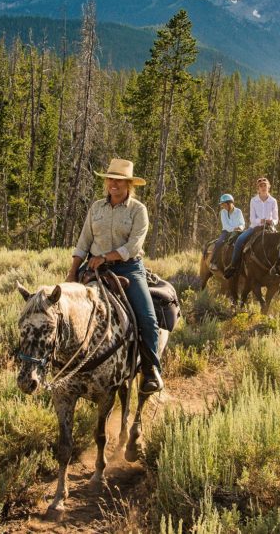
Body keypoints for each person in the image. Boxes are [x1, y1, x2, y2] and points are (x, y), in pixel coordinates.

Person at [66, 158, 164, 394]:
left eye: (119, 181)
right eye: (111, 179)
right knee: (63, 310)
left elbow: (133, 245)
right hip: (94, 268)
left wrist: (106, 257)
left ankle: (151, 371)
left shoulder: (138, 210)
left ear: (129, 184)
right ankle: (61, 365)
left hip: (128, 268)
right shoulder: (96, 208)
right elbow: (84, 241)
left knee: (148, 319)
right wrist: (72, 272)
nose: (114, 184)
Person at [224, 177, 279, 279]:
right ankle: (233, 266)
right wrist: (261, 221)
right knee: (239, 240)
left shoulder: (273, 201)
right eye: (261, 186)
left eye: (265, 185)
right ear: (258, 188)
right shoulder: (254, 201)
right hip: (255, 227)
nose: (263, 187)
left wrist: (272, 221)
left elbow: (276, 219)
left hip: (270, 228)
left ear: (269, 187)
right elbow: (252, 219)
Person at [210, 193, 245, 271]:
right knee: (219, 242)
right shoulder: (222, 212)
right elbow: (225, 226)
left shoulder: (238, 211)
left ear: (230, 203)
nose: (223, 206)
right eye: (222, 205)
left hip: (238, 232)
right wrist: (234, 229)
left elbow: (242, 223)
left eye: (224, 204)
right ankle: (213, 262)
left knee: (244, 242)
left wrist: (240, 227)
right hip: (226, 232)